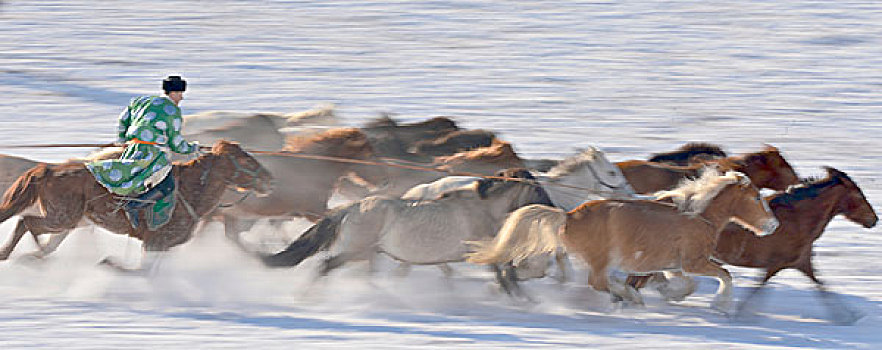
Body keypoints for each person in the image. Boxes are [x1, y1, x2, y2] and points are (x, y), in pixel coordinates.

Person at [87, 76, 200, 227]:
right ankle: (134, 206)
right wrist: (192, 148)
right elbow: (176, 143)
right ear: (173, 92)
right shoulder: (172, 110)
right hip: (152, 153)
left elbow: (123, 120)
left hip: (132, 148)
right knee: (168, 184)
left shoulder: (141, 101)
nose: (181, 97)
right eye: (180, 93)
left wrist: (122, 141)